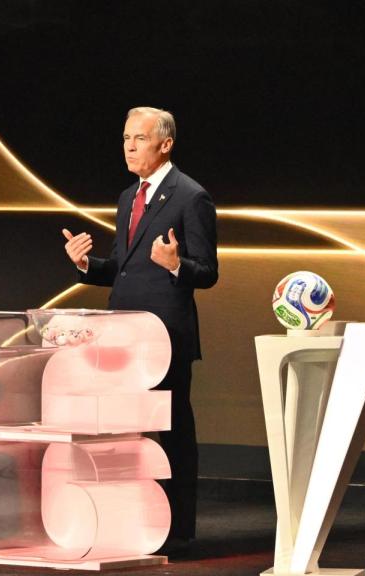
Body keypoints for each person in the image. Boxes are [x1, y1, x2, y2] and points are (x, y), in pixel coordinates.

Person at [62, 107, 217, 552]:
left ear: (165, 144)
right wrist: (86, 264)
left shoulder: (191, 197)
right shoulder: (128, 196)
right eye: (126, 138)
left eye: (140, 139)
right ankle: (132, 520)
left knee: (170, 431)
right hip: (123, 336)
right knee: (125, 432)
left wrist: (177, 264)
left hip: (165, 337)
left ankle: (175, 529)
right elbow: (123, 268)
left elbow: (207, 271)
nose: (129, 147)